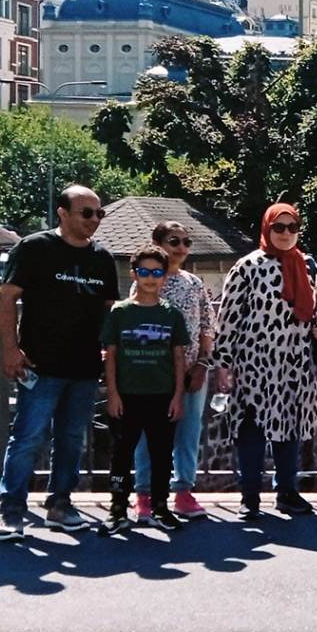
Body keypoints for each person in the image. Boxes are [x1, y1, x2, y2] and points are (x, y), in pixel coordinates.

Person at [0, 186, 120, 541]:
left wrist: (110, 355)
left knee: (71, 439)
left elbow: (110, 310)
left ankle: (60, 504)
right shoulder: (34, 248)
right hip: (40, 364)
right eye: (86, 213)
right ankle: (12, 510)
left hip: (84, 366)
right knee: (27, 437)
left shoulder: (103, 258)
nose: (94, 220)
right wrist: (9, 349)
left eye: (99, 213)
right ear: (63, 213)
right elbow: (7, 298)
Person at [213, 203, 317, 519]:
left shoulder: (307, 265)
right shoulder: (247, 267)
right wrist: (223, 364)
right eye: (279, 227)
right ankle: (249, 495)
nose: (286, 233)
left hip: (295, 361)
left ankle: (287, 492)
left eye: (292, 227)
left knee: (290, 428)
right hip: (255, 363)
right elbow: (229, 319)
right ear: (267, 228)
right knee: (251, 430)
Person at [99, 245, 191, 535]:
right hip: (127, 395)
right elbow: (110, 355)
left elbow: (178, 358)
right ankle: (117, 507)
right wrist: (112, 394)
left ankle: (160, 506)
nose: (150, 278)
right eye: (144, 272)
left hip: (162, 395)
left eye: (157, 273)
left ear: (164, 276)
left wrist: (178, 396)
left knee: (162, 454)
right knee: (122, 454)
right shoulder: (120, 312)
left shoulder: (171, 315)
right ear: (134, 274)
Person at [133, 221, 217, 523]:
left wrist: (203, 364)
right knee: (148, 434)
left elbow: (207, 325)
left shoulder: (194, 283)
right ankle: (144, 494)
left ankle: (183, 491)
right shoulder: (145, 282)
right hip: (153, 371)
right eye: (174, 241)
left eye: (186, 242)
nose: (181, 248)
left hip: (191, 371)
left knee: (188, 433)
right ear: (157, 244)